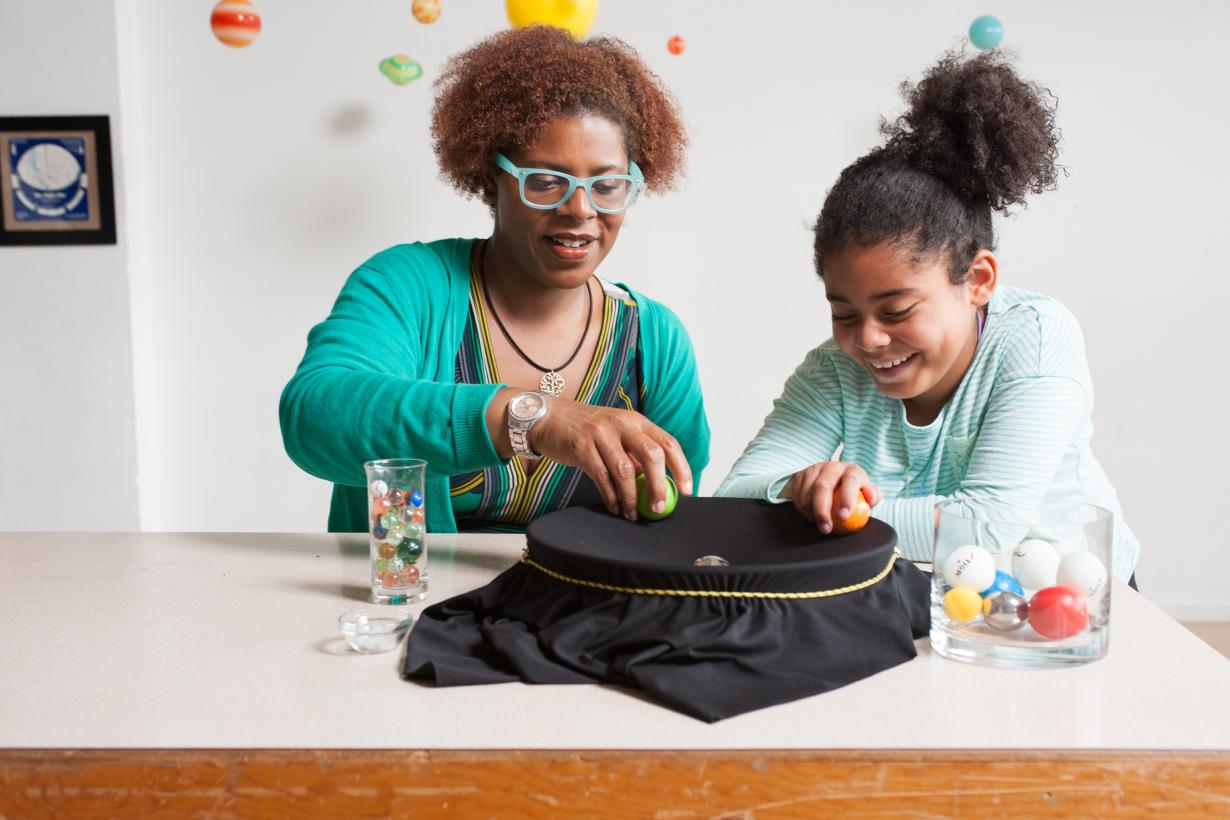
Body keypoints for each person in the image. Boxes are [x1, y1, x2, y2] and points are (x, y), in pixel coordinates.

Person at [716, 50, 1140, 582]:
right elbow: (733, 499)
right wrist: (801, 487)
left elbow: (986, 526)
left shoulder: (1035, 336)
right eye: (844, 314)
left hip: (1073, 601)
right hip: (942, 599)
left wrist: (839, 514)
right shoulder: (834, 371)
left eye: (897, 311)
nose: (868, 339)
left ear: (978, 281)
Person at [280, 26, 709, 533]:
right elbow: (316, 417)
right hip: (415, 605)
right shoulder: (408, 286)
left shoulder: (653, 341)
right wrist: (533, 417)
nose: (580, 209)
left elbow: (675, 521)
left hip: (586, 611)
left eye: (608, 184)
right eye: (545, 181)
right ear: (490, 177)